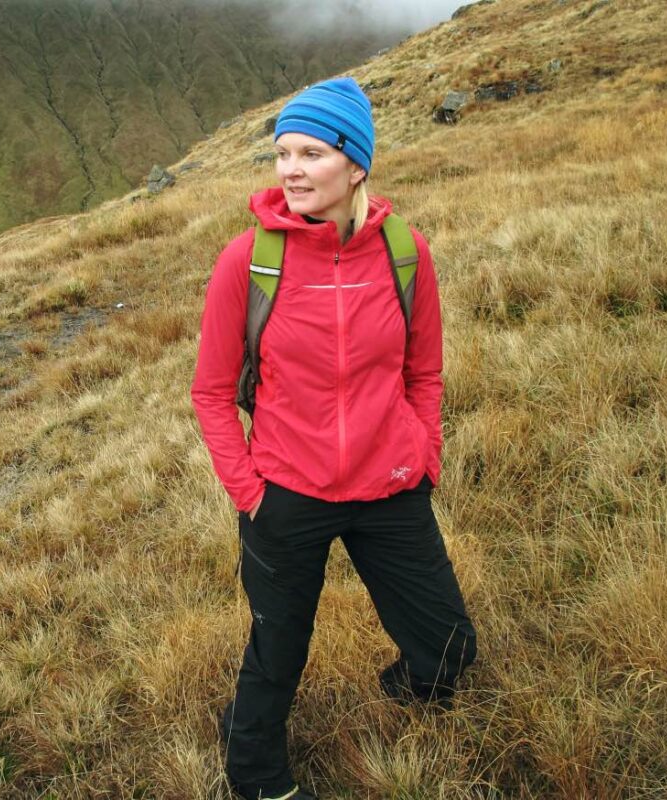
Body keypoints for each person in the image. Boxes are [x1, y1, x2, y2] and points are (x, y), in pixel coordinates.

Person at [190, 76, 477, 800]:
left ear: (356, 165)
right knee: (277, 654)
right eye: (283, 153)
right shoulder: (249, 261)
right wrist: (249, 490)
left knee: (449, 649)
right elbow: (212, 393)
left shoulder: (406, 253)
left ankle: (412, 694)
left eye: (311, 153)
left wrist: (424, 456)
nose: (290, 169)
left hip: (390, 484)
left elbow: (426, 370)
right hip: (286, 490)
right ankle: (257, 776)